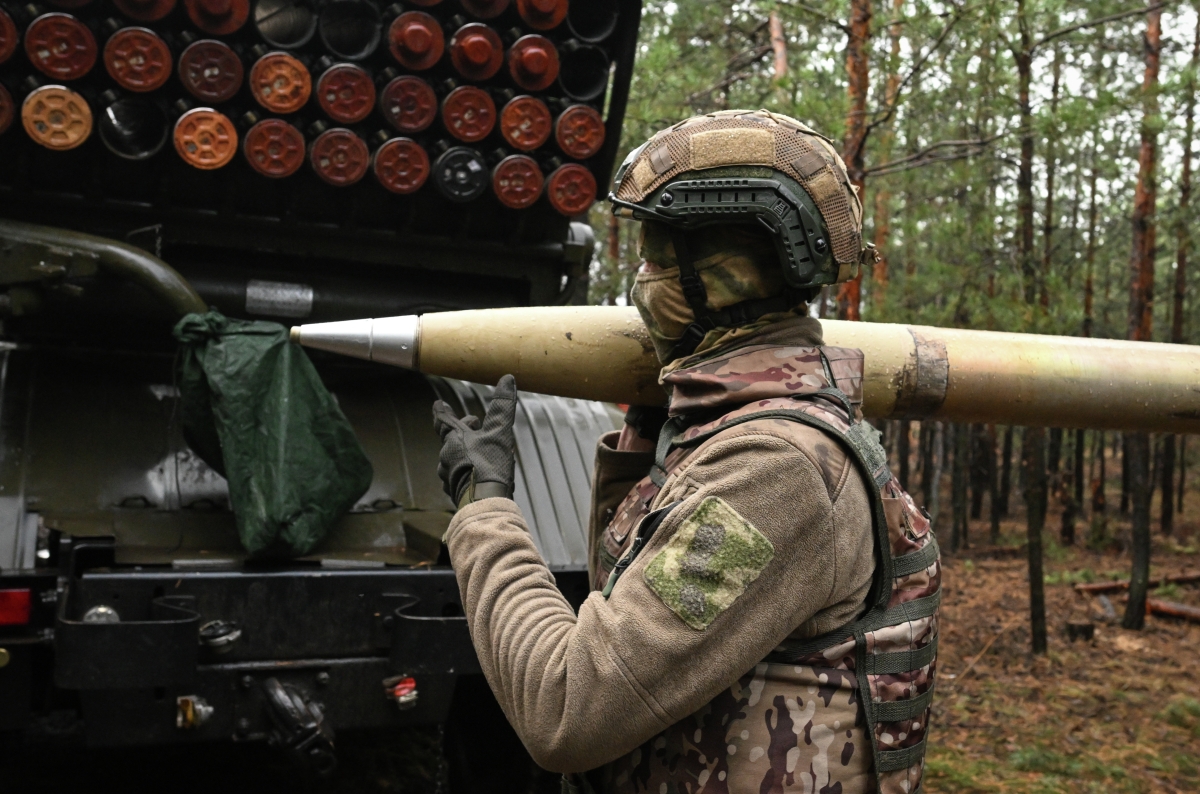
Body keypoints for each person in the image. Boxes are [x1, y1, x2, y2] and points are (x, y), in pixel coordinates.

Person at [432, 110, 941, 794]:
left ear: (726, 276)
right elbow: (632, 622)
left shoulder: (775, 471)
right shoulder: (736, 433)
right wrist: (647, 439)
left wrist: (484, 513)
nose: (639, 284)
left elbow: (568, 707)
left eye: (655, 261)